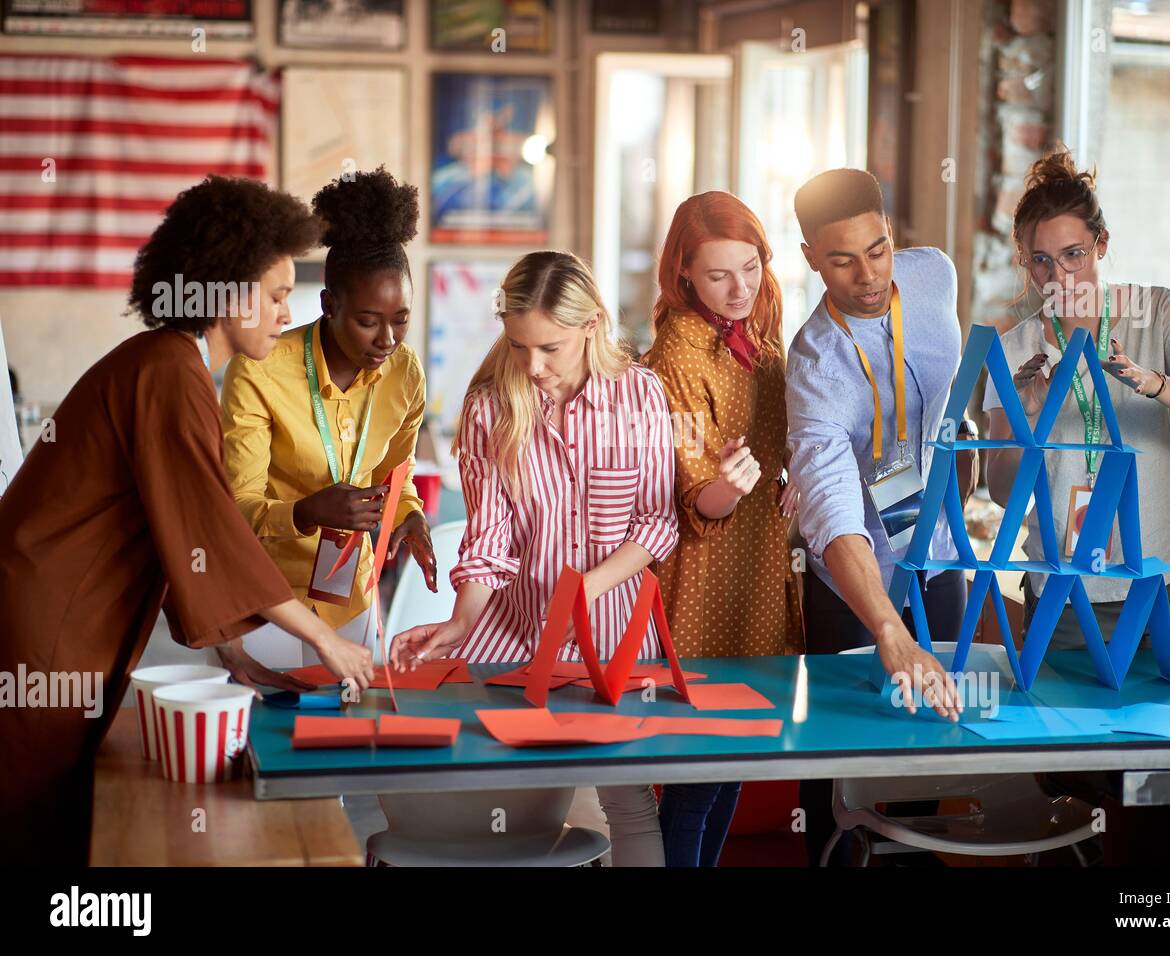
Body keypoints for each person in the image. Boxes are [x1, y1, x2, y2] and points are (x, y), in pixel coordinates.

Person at [0, 176, 374, 865]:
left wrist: (232, 647)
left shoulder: (172, 365)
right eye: (277, 295)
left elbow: (176, 529)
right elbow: (212, 528)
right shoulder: (171, 371)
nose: (285, 314)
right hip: (45, 622)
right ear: (228, 292)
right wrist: (327, 639)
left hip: (49, 612)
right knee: (32, 811)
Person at [389, 251, 678, 866]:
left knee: (628, 803)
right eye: (519, 346)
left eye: (550, 347)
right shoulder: (491, 405)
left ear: (592, 324)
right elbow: (489, 537)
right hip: (516, 638)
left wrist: (585, 588)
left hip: (612, 641)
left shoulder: (641, 397)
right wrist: (461, 621)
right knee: (496, 803)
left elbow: (657, 524)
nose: (533, 365)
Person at [786, 167, 974, 865]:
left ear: (893, 236)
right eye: (841, 259)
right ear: (810, 257)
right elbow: (833, 516)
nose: (866, 276)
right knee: (838, 757)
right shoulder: (815, 369)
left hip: (939, 551)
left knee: (928, 745)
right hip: (855, 582)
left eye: (877, 250)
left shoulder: (934, 275)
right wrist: (887, 630)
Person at [983, 146, 1170, 649]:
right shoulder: (1013, 351)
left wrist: (1153, 382)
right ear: (1026, 262)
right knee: (1073, 729)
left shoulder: (1160, 311)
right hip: (1068, 592)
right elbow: (1000, 490)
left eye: (1074, 254)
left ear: (1101, 243)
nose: (1059, 279)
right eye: (1041, 261)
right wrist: (1029, 419)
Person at [640, 190, 801, 867]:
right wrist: (735, 487)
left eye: (750, 266)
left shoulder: (760, 340)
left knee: (737, 753)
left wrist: (792, 478)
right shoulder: (676, 356)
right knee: (696, 770)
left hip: (761, 568)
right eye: (717, 275)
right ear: (683, 276)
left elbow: (780, 446)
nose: (739, 288)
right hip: (704, 579)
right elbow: (695, 498)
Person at [221, 168, 435, 667]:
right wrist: (305, 512)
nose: (387, 340)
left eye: (401, 319)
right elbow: (235, 507)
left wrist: (413, 517)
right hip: (265, 601)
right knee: (266, 736)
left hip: (350, 598)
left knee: (353, 730)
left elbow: (394, 480)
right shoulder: (260, 369)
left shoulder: (406, 375)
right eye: (367, 321)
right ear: (328, 305)